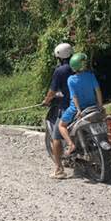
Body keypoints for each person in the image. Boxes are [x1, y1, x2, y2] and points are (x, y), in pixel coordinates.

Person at [58, 53, 103, 156]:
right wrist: (100, 105)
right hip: (92, 106)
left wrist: (78, 110)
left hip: (76, 108)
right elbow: (98, 90)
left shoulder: (71, 80)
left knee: (61, 125)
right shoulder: (91, 76)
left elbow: (74, 97)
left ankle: (70, 144)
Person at [41, 43, 74, 179]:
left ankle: (59, 169)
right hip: (86, 103)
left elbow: (52, 91)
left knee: (56, 136)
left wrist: (46, 101)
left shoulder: (60, 71)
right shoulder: (78, 66)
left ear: (59, 57)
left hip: (68, 105)